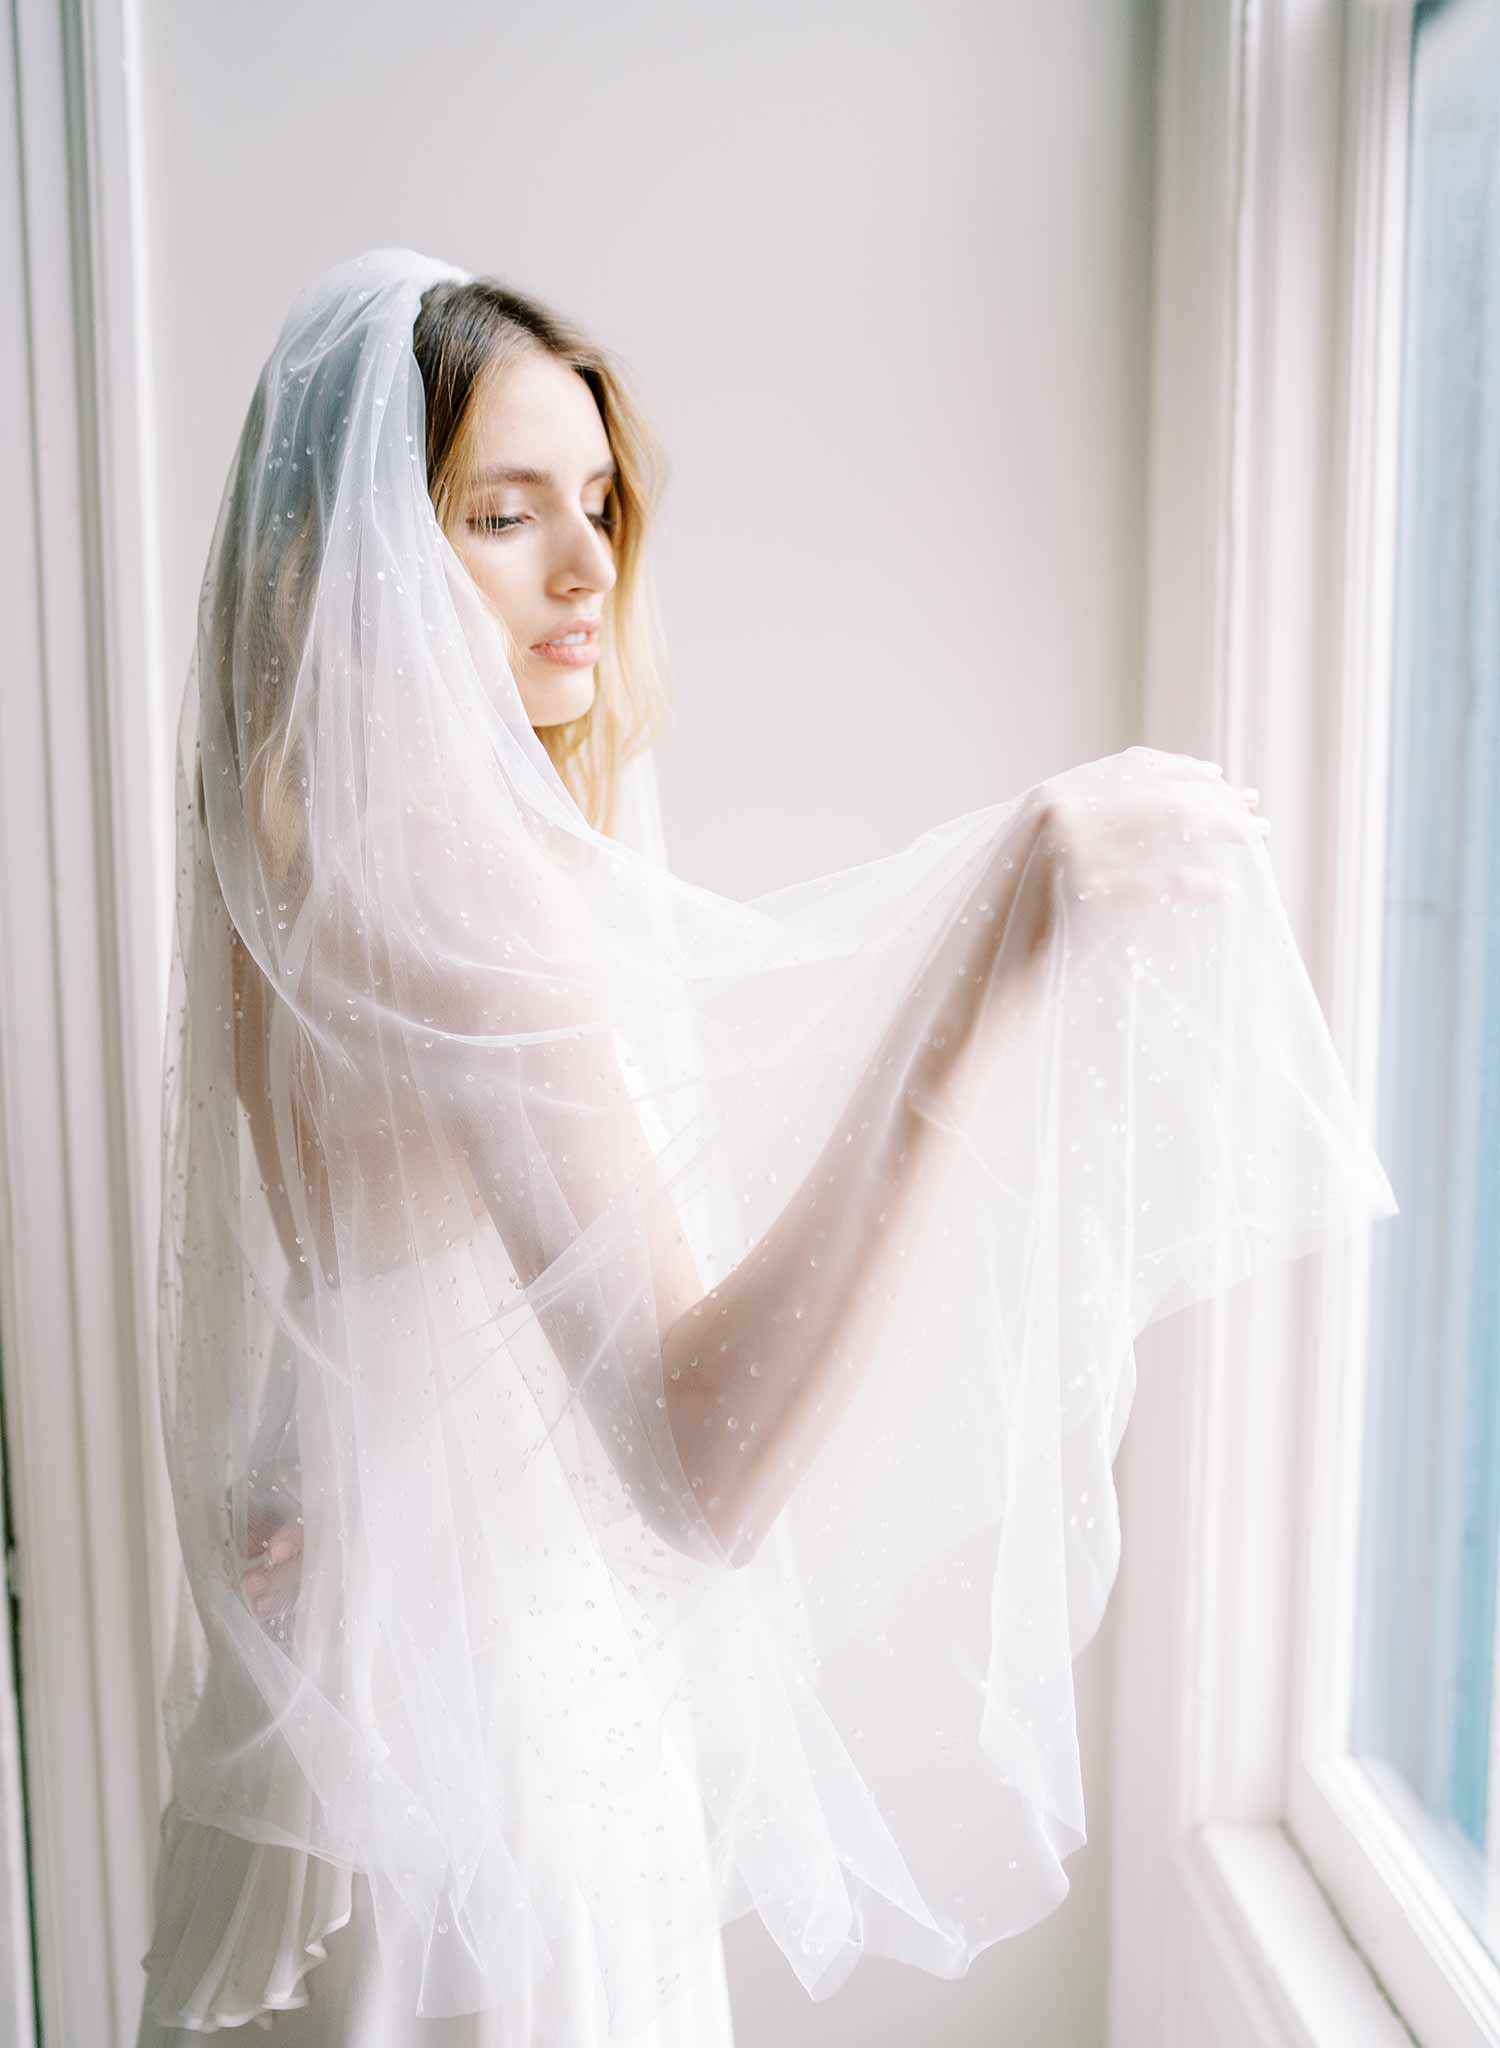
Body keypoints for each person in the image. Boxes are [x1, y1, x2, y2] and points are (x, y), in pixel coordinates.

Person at [135, 248, 1395, 2044]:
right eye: (501, 517)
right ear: (358, 568)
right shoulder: (479, 916)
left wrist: (307, 1470)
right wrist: (991, 961)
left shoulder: (297, 869)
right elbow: (695, 1472)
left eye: (596, 503)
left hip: (339, 1752)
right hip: (504, 1780)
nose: (586, 571)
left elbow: (365, 1285)